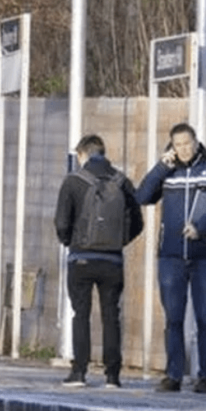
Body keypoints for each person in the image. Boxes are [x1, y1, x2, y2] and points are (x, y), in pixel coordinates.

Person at [136, 123, 206, 394]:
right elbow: (142, 196)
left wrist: (201, 226)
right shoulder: (168, 172)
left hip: (205, 257)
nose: (183, 149)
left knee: (205, 317)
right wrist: (160, 167)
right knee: (174, 319)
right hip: (171, 258)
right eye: (177, 144)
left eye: (187, 143)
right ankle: (173, 375)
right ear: (171, 146)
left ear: (196, 142)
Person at [54, 134, 143, 388]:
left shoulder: (73, 181)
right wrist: (118, 242)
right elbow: (138, 222)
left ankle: (79, 372)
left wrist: (70, 242)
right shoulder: (122, 181)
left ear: (82, 154)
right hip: (112, 260)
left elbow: (61, 222)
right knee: (110, 315)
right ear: (103, 152)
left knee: (81, 313)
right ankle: (112, 376)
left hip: (81, 258)